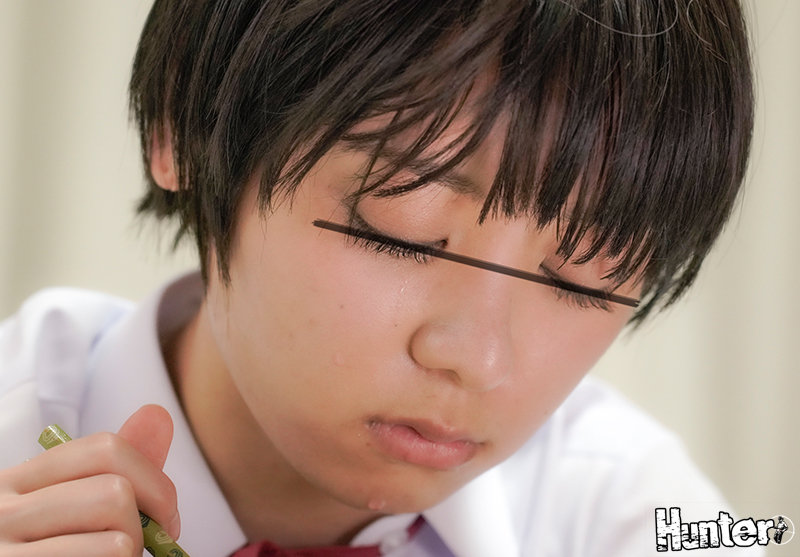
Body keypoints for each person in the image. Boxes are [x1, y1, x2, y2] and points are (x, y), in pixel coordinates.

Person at [0, 1, 758, 556]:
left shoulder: (637, 513)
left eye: (583, 275)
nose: (478, 359)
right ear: (180, 127)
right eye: (403, 224)